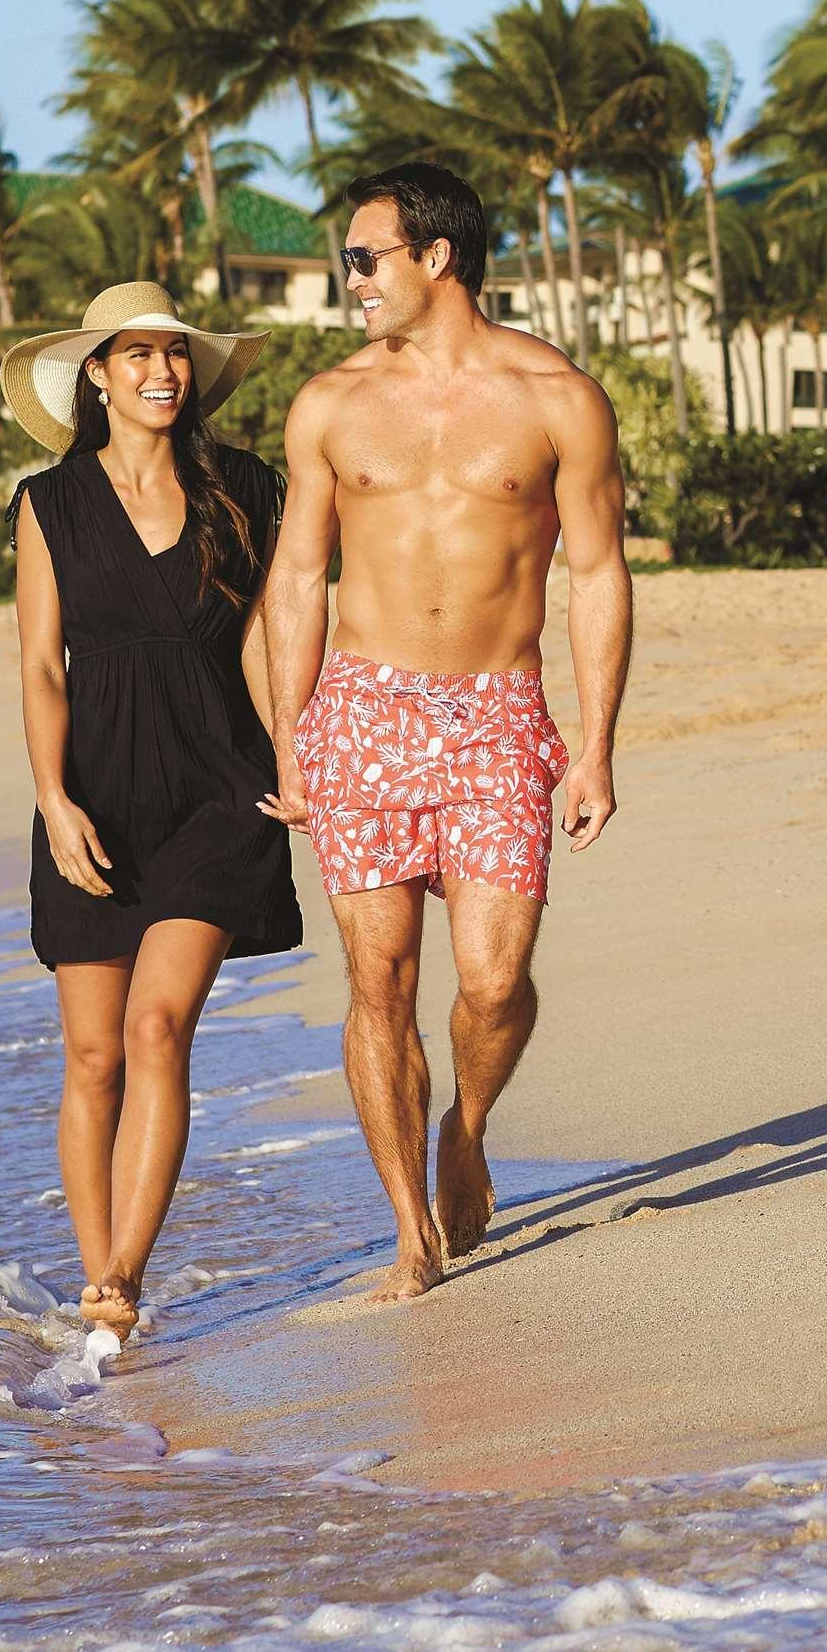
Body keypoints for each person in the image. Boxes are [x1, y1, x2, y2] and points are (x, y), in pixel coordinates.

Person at [258, 161, 632, 1303]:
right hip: (362, 709)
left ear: (436, 257)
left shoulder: (556, 396)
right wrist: (291, 739)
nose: (351, 282)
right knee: (378, 979)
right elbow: (296, 575)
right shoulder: (328, 402)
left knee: (493, 978)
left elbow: (600, 575)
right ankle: (410, 1232)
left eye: (364, 260)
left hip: (497, 713)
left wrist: (599, 745)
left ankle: (466, 1126)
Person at [0, 281, 301, 1342]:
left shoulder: (246, 491)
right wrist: (52, 795)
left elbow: (272, 639)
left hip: (221, 786)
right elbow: (41, 663)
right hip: (95, 792)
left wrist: (297, 757)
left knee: (157, 1026)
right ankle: (96, 1271)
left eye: (175, 356)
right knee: (92, 1056)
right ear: (96, 373)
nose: (162, 372)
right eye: (137, 355)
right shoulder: (49, 502)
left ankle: (124, 1274)